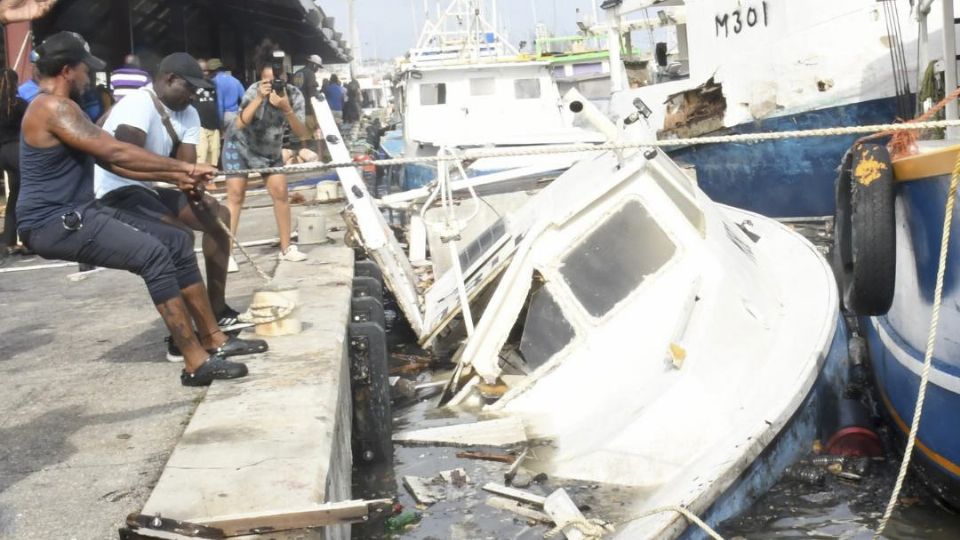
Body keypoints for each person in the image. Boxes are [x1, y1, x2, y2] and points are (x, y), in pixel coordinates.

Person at [17, 31, 263, 386]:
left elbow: (114, 163)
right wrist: (185, 169)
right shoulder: (52, 108)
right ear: (69, 70)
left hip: (79, 212)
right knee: (154, 254)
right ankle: (193, 361)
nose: (90, 76)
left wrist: (181, 173)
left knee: (177, 242)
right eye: (86, 69)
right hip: (54, 222)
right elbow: (117, 152)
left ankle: (214, 340)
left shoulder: (63, 108)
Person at [95, 51, 246, 343]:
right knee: (177, 236)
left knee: (219, 216)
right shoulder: (139, 104)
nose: (193, 95)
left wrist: (194, 186)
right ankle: (185, 331)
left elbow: (185, 162)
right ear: (169, 79)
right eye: (188, 87)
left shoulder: (188, 113)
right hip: (118, 190)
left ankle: (216, 308)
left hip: (151, 187)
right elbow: (127, 163)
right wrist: (178, 174)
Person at [223, 48, 311, 262]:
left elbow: (302, 134)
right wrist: (259, 99)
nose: (273, 85)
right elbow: (239, 122)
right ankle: (227, 254)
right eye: (267, 81)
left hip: (270, 150)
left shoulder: (294, 95)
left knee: (281, 192)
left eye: (276, 80)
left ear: (284, 77)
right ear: (261, 79)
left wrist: (286, 108)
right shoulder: (254, 91)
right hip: (240, 146)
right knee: (235, 196)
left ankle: (286, 248)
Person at [0, 68, 27, 256]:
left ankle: (8, 241)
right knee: (28, 195)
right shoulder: (20, 104)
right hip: (17, 151)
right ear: (16, 83)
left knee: (14, 197)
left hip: (2, 153)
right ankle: (28, 240)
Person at [195, 59, 220, 167]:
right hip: (200, 126)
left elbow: (216, 104)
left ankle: (210, 181)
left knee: (214, 155)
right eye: (202, 71)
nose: (205, 73)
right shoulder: (192, 86)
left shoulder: (212, 85)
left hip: (214, 126)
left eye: (207, 71)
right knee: (201, 156)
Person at [208, 58, 244, 131]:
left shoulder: (214, 82)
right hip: (236, 115)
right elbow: (245, 98)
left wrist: (220, 124)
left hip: (224, 116)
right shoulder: (235, 80)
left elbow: (220, 104)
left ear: (212, 70)